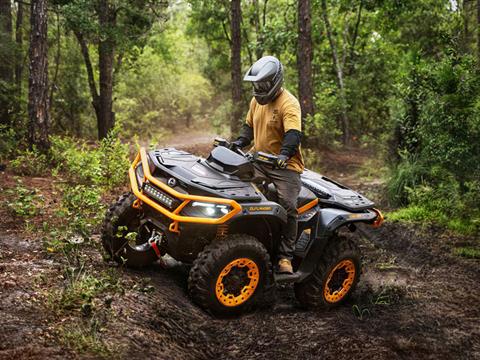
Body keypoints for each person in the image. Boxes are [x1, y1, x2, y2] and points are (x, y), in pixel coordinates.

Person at [231, 55, 304, 274]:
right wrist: (240, 142)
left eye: (263, 84)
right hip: (258, 159)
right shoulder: (256, 101)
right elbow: (248, 127)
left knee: (289, 207)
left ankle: (285, 258)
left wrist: (283, 155)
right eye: (256, 84)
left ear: (276, 82)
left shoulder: (289, 103)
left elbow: (293, 134)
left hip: (285, 166)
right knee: (234, 186)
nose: (259, 88)